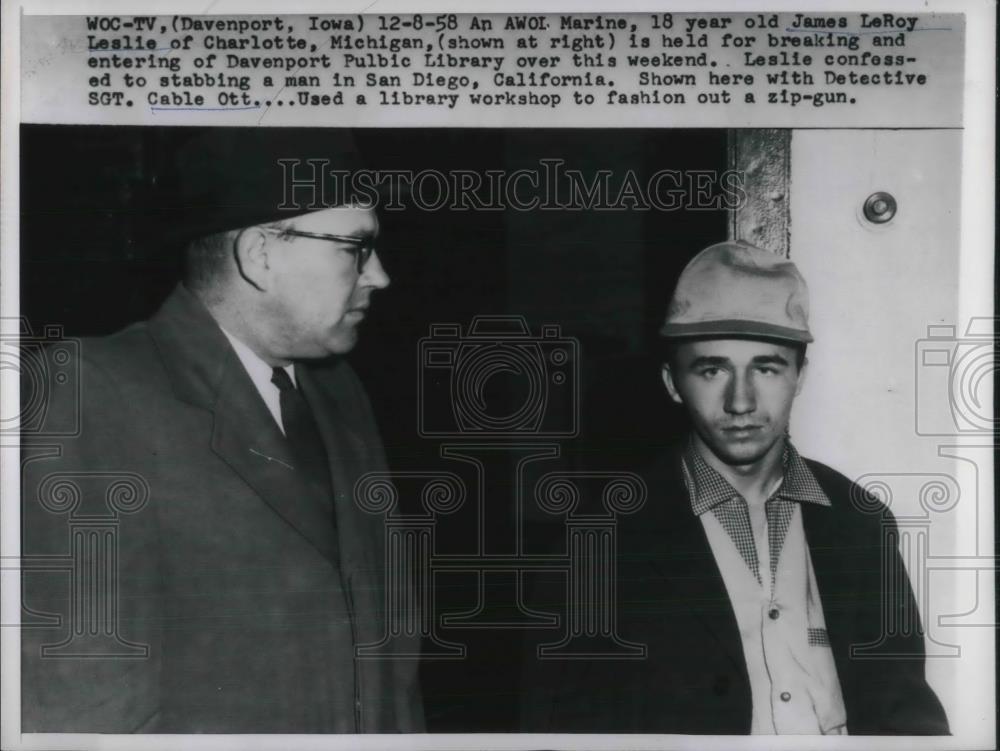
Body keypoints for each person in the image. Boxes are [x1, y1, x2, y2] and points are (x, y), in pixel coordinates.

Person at [20, 130, 424, 733]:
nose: (380, 276)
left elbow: (392, 656)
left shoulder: (340, 391)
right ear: (260, 254)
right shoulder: (94, 388)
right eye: (355, 248)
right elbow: (82, 688)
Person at [522, 240, 949, 735]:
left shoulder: (860, 520)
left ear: (800, 376)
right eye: (713, 369)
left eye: (766, 368)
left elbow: (906, 714)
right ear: (672, 382)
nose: (741, 401)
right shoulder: (593, 547)